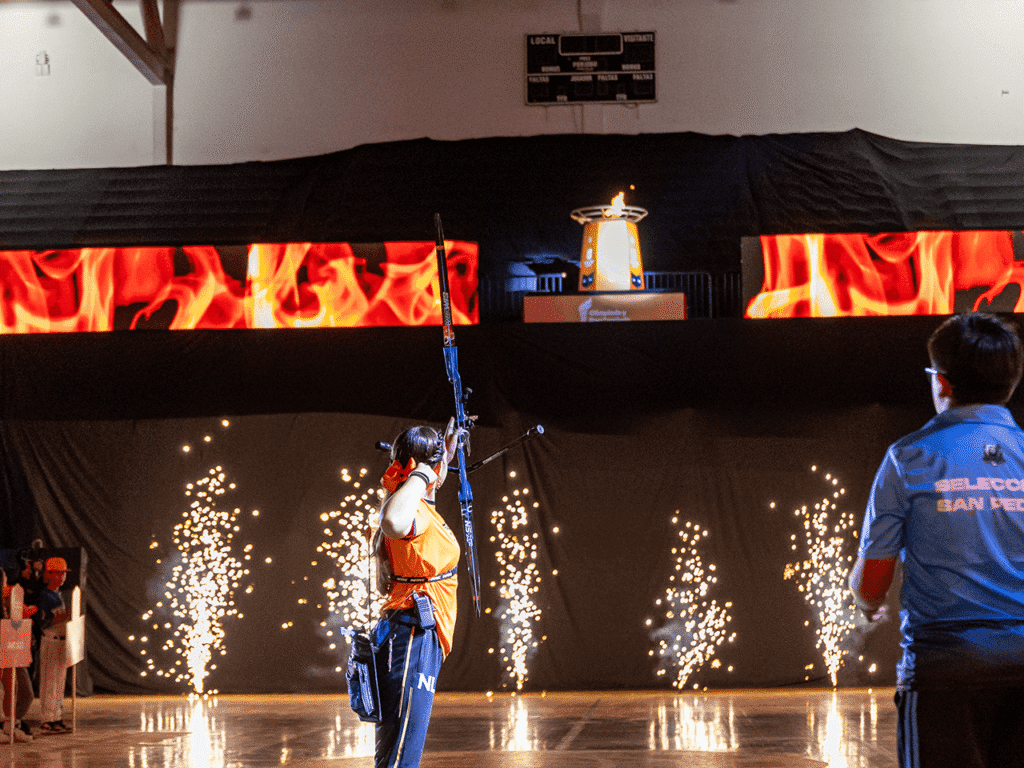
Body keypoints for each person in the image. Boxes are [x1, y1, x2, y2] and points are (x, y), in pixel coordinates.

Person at [850, 312, 1024, 768]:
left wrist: (869, 605)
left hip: (942, 673)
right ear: (1011, 383)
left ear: (941, 383)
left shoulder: (908, 459)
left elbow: (872, 582)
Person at [370, 418, 461, 768]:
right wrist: (424, 471)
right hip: (412, 632)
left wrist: (443, 458)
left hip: (417, 631)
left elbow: (423, 494)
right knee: (402, 751)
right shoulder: (407, 510)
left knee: (401, 746)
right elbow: (393, 521)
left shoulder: (423, 508)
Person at [29, 557, 71, 735]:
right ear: (49, 574)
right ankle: (47, 719)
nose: (62, 577)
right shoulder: (45, 596)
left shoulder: (59, 594)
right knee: (49, 681)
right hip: (50, 639)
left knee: (59, 681)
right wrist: (56, 619)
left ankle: (56, 716)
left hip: (61, 640)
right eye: (58, 573)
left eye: (63, 573)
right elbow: (40, 621)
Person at [1, 569, 36, 743]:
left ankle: (12, 724)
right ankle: (7, 724)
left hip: (14, 655)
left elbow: (25, 622)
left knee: (22, 692)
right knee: (6, 692)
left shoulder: (16, 606)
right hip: (5, 655)